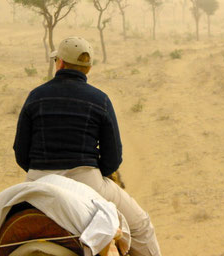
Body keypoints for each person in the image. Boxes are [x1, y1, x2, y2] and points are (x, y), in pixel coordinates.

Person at [13, 36, 161, 256]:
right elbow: (113, 158)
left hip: (38, 180)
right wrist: (92, 172)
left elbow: (21, 152)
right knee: (141, 227)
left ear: (60, 63)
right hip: (87, 182)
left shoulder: (35, 97)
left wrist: (44, 173)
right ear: (88, 69)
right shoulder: (100, 100)